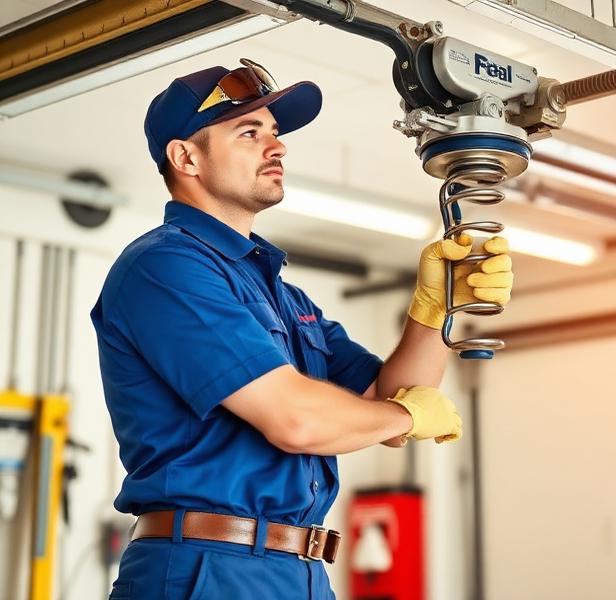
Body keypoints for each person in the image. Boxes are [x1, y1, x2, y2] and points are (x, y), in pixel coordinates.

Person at [90, 58, 513, 599]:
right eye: (249, 132)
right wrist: (402, 417)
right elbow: (296, 419)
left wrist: (433, 311)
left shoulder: (284, 296)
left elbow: (387, 397)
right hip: (208, 571)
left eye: (274, 131)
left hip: (302, 571)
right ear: (185, 157)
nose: (277, 146)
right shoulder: (165, 268)